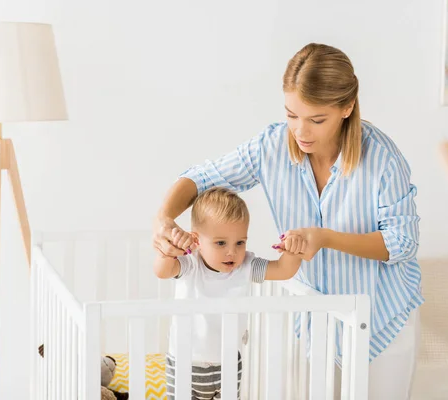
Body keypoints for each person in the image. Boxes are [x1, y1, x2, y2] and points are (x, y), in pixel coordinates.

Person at [153, 43, 424, 399]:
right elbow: (201, 178)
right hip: (315, 317)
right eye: (292, 115)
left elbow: (402, 243)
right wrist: (163, 218)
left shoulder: (383, 160)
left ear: (347, 107)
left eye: (316, 119)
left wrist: (325, 237)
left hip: (382, 315)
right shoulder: (272, 146)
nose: (301, 131)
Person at [154, 187, 306, 400]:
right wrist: (170, 248)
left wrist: (293, 250)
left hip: (228, 365)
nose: (232, 252)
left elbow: (283, 270)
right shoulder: (190, 264)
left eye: (240, 242)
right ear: (196, 240)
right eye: (221, 243)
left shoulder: (246, 266)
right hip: (184, 364)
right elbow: (162, 271)